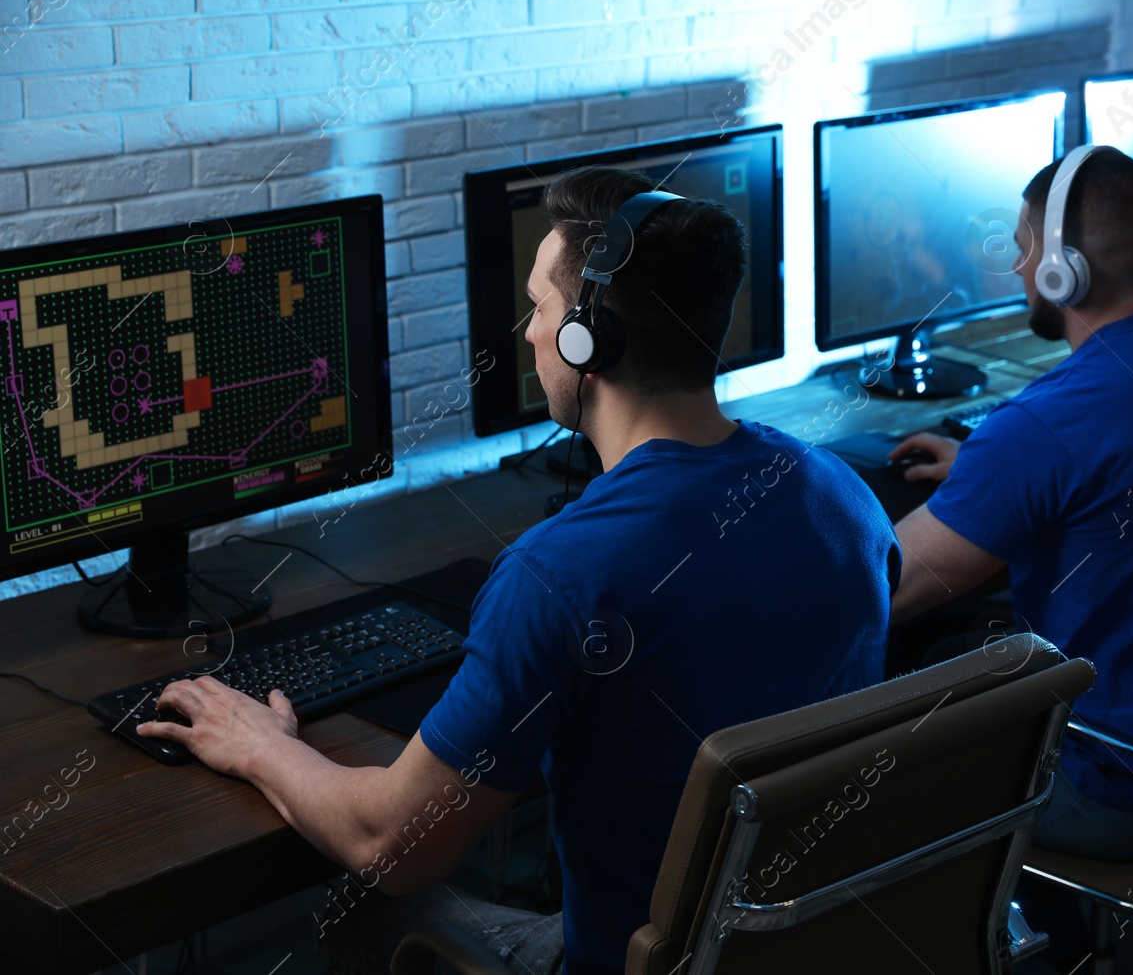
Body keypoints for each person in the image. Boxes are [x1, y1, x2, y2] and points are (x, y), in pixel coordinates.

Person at [136, 166, 902, 975]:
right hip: (815, 940)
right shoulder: (843, 499)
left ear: (586, 339)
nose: (530, 332)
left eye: (539, 306)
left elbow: (390, 843)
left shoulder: (559, 574)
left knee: (365, 907)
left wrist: (257, 743)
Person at [887, 147, 1133, 859]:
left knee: (866, 734)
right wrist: (994, 476)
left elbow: (885, 586)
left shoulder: (1045, 427)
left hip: (1103, 775)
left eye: (1026, 248)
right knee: (944, 649)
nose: (1020, 269)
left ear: (1066, 269)